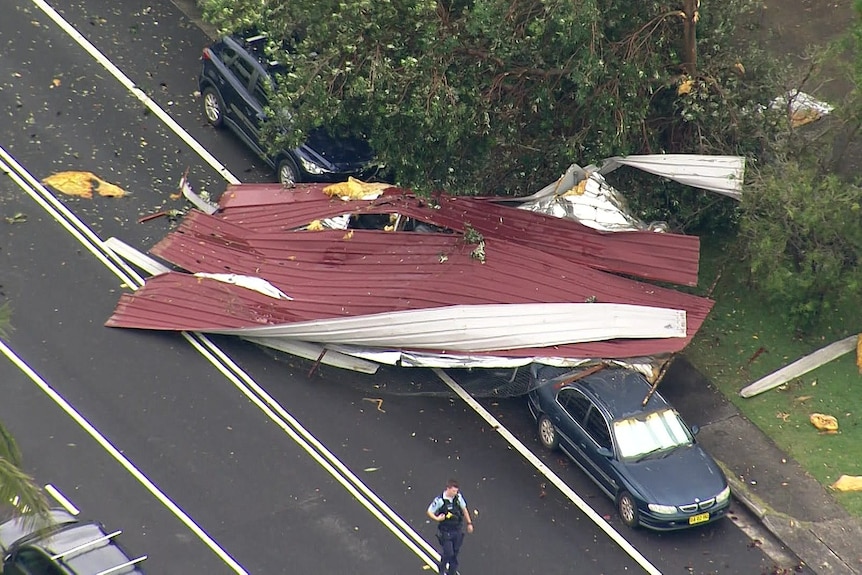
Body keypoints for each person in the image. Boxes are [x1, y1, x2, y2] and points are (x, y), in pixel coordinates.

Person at [427, 479, 474, 575]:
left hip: (457, 529)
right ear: (448, 489)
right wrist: (437, 519)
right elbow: (429, 511)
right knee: (449, 552)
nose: (455, 493)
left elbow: (464, 509)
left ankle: (451, 572)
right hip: (446, 531)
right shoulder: (440, 500)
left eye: (456, 491)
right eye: (453, 491)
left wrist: (469, 523)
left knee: (455, 553)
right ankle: (442, 568)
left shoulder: (458, 497)